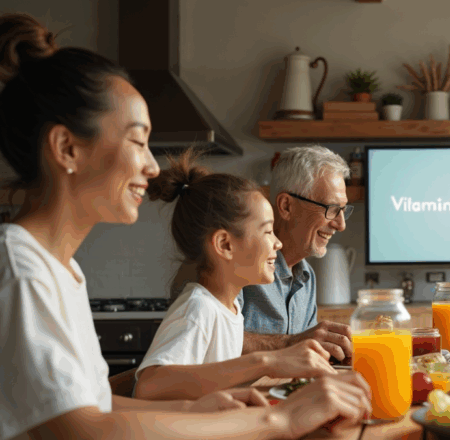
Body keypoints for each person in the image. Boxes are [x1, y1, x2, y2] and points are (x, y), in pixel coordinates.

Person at [0, 13, 369, 440]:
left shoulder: (61, 270)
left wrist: (195, 408)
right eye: (138, 141)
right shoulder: (22, 270)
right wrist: (278, 418)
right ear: (67, 148)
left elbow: (92, 403)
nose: (152, 165)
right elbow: (83, 430)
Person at [134, 151, 338, 400]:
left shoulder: (230, 311)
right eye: (267, 232)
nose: (278, 244)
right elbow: (148, 386)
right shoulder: (198, 310)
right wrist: (265, 361)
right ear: (225, 245)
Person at [238, 145, 355, 362]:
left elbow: (307, 355)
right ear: (286, 206)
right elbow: (215, 337)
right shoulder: (239, 262)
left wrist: (332, 354)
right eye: (331, 209)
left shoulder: (307, 276)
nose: (341, 225)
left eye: (343, 210)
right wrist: (292, 343)